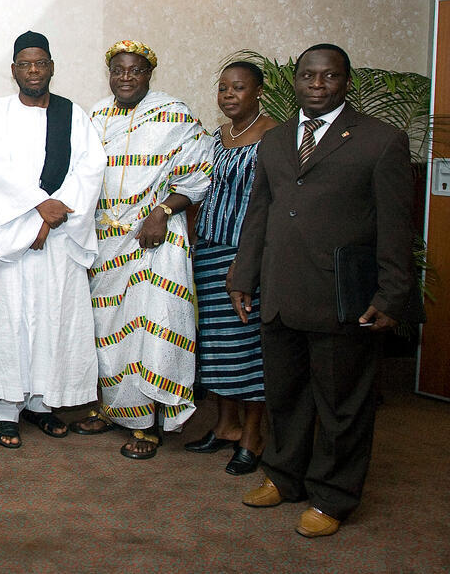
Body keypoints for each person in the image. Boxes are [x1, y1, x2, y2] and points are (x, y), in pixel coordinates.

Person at [230, 44, 418, 538]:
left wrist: (391, 295)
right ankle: (284, 476)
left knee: (342, 406)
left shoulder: (381, 140)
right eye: (308, 76)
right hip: (280, 292)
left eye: (329, 76)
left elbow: (397, 226)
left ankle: (333, 497)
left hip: (343, 298)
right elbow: (260, 212)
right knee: (285, 396)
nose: (317, 84)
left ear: (346, 82)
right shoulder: (274, 140)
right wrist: (243, 275)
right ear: (295, 81)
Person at [0, 32, 106, 448]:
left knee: (52, 320)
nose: (34, 71)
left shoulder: (72, 115)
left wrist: (47, 221)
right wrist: (38, 211)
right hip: (8, 243)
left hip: (57, 241)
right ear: (14, 70)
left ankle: (42, 404)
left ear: (52, 67)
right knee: (7, 322)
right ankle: (5, 411)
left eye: (41, 63)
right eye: (25, 64)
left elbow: (90, 169)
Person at [74, 40, 213, 460]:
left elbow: (199, 173)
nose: (125, 77)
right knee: (107, 329)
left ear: (149, 73)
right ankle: (113, 408)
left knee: (150, 327)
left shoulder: (174, 114)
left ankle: (147, 424)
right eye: (118, 70)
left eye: (135, 70)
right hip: (106, 242)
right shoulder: (97, 116)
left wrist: (162, 211)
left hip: (155, 238)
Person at [183, 61, 275, 476]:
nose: (229, 95)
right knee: (217, 344)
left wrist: (248, 260)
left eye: (238, 87)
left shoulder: (274, 136)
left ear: (258, 91)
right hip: (208, 249)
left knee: (247, 346)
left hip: (247, 252)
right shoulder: (214, 138)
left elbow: (273, 201)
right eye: (223, 88)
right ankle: (226, 426)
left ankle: (253, 436)